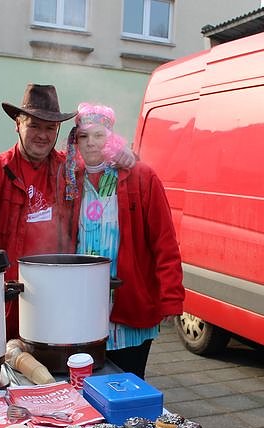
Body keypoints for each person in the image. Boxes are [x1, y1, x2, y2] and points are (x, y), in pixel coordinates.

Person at [0, 83, 135, 340]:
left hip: (54, 300)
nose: (42, 135)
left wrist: (123, 155)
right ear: (18, 123)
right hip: (1, 301)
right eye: (34, 125)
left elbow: (100, 163)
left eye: (50, 128)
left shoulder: (69, 169)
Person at [65, 103, 184, 378]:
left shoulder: (140, 177)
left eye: (98, 135)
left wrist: (171, 297)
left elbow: (164, 241)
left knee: (127, 383)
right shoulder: (71, 180)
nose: (91, 143)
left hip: (129, 306)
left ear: (111, 137)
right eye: (83, 136)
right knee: (83, 385)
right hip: (81, 308)